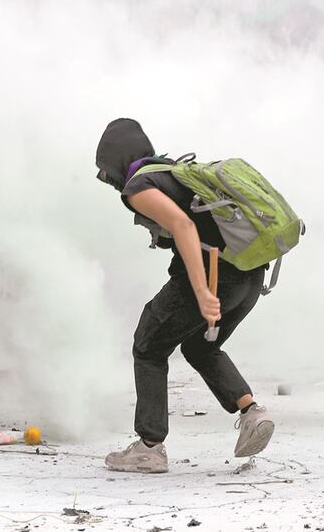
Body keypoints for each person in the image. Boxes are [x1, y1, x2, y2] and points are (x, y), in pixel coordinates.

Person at [95, 118, 274, 474]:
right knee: (199, 346)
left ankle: (149, 447)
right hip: (249, 275)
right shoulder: (172, 171)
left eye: (105, 169)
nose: (107, 178)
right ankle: (252, 412)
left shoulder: (139, 186)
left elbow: (183, 226)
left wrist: (203, 291)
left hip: (215, 275)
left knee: (148, 344)